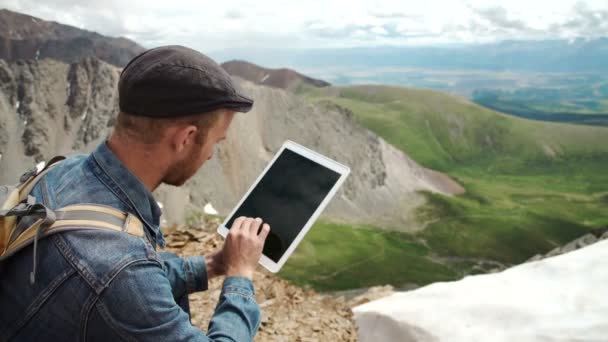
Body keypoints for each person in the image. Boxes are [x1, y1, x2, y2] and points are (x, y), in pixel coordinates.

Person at [0, 45, 270, 341]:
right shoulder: (121, 270)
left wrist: (214, 264)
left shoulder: (64, 170)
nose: (210, 156)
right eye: (215, 142)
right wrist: (240, 275)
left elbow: (117, 279)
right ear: (186, 139)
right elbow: (119, 278)